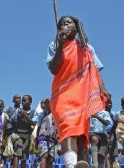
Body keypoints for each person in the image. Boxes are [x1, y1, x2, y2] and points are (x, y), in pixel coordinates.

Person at [47, 15, 109, 168]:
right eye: (62, 24)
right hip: (62, 95)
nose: (65, 25)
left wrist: (103, 89)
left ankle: (80, 164)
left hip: (82, 96)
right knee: (68, 128)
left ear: (77, 26)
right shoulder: (54, 45)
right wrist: (61, 45)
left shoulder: (87, 47)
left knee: (81, 135)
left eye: (68, 22)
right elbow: (54, 69)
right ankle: (70, 165)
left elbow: (94, 70)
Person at [10, 95, 36, 168]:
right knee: (17, 154)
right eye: (23, 101)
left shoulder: (34, 112)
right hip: (17, 135)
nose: (23, 102)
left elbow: (33, 123)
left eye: (25, 100)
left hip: (27, 136)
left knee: (24, 156)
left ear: (30, 102)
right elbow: (12, 119)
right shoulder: (18, 110)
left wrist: (25, 116)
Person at [36, 99, 57, 168]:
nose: (47, 105)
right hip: (43, 137)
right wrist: (37, 138)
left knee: (50, 157)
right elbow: (38, 127)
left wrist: (57, 137)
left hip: (52, 139)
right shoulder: (42, 114)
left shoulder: (56, 114)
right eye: (46, 104)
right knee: (44, 154)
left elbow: (57, 128)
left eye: (49, 103)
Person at [104, 100, 117, 168]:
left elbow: (116, 123)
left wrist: (112, 117)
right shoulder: (102, 113)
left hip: (113, 135)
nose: (109, 105)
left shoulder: (114, 113)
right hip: (105, 134)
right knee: (107, 154)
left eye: (111, 104)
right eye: (108, 103)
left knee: (113, 155)